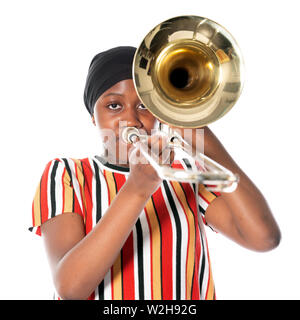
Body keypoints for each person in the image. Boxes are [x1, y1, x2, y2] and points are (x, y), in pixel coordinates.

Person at [29, 46, 281, 300]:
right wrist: (137, 189)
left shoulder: (187, 176)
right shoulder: (68, 174)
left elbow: (264, 238)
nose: (131, 119)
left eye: (144, 106)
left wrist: (201, 136)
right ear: (93, 117)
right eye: (114, 105)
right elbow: (70, 288)